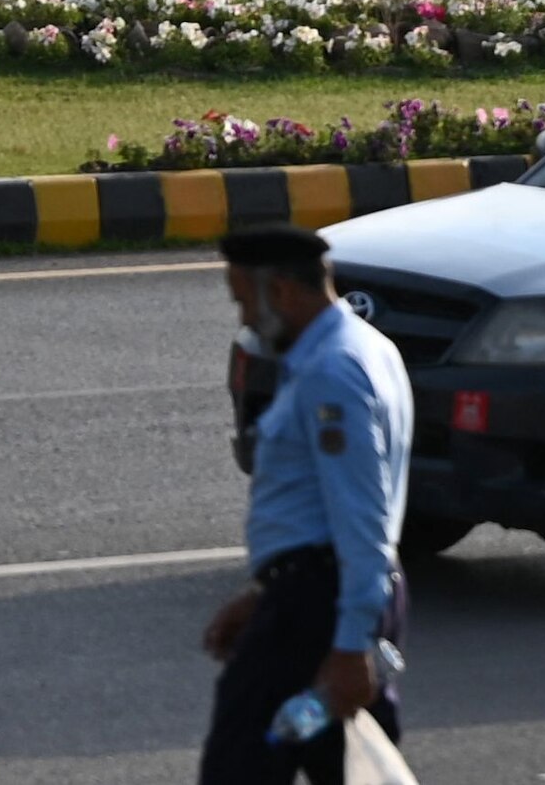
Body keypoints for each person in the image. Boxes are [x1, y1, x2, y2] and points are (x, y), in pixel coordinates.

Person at [203, 223, 409, 784]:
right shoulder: (368, 348)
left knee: (240, 764)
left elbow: (362, 517)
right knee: (341, 765)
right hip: (323, 596)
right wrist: (263, 594)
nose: (244, 318)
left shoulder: (331, 374)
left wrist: (347, 646)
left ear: (283, 292)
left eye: (245, 300)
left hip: (318, 611)